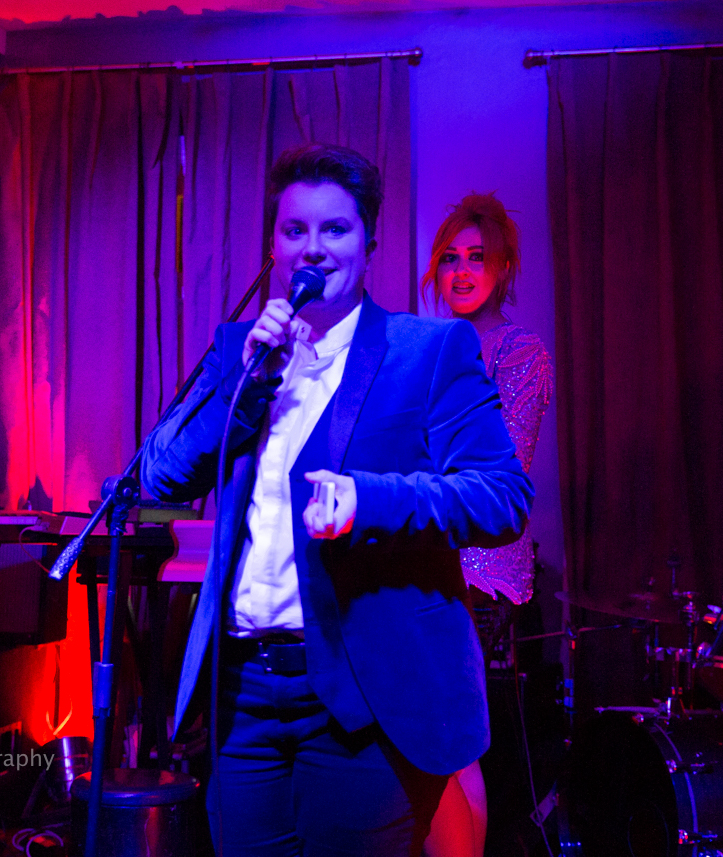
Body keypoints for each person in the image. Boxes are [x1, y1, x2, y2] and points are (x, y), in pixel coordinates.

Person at [140, 145, 533, 856]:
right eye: (295, 230)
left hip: (361, 694)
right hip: (243, 696)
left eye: (335, 229)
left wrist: (371, 502)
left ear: (368, 243)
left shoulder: (428, 350)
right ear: (273, 246)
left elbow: (502, 496)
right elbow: (160, 476)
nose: (313, 248)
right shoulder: (241, 351)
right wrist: (246, 387)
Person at [421, 193, 555, 857]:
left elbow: (503, 471)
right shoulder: (425, 346)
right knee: (433, 742)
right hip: (421, 562)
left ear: (503, 268)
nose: (462, 271)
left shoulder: (521, 351)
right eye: (450, 258)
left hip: (479, 572)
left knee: (443, 740)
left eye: (477, 257)